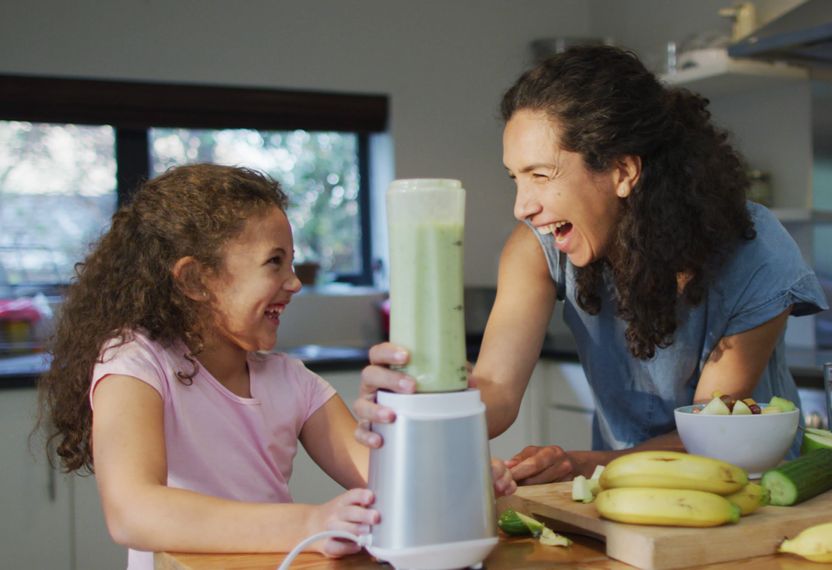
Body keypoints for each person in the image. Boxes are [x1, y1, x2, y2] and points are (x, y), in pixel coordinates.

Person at [355, 45, 827, 485]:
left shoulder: (756, 253)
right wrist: (421, 397)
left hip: (755, 492)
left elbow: (713, 435)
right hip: (616, 490)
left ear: (622, 171)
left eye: (541, 175)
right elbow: (496, 389)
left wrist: (583, 465)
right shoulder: (535, 250)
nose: (522, 207)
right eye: (516, 178)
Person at [35, 164, 515, 569]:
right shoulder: (135, 364)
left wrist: (456, 469)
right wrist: (309, 522)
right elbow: (133, 512)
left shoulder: (291, 381)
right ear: (196, 279)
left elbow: (385, 482)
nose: (294, 282)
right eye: (274, 263)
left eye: (292, 263)